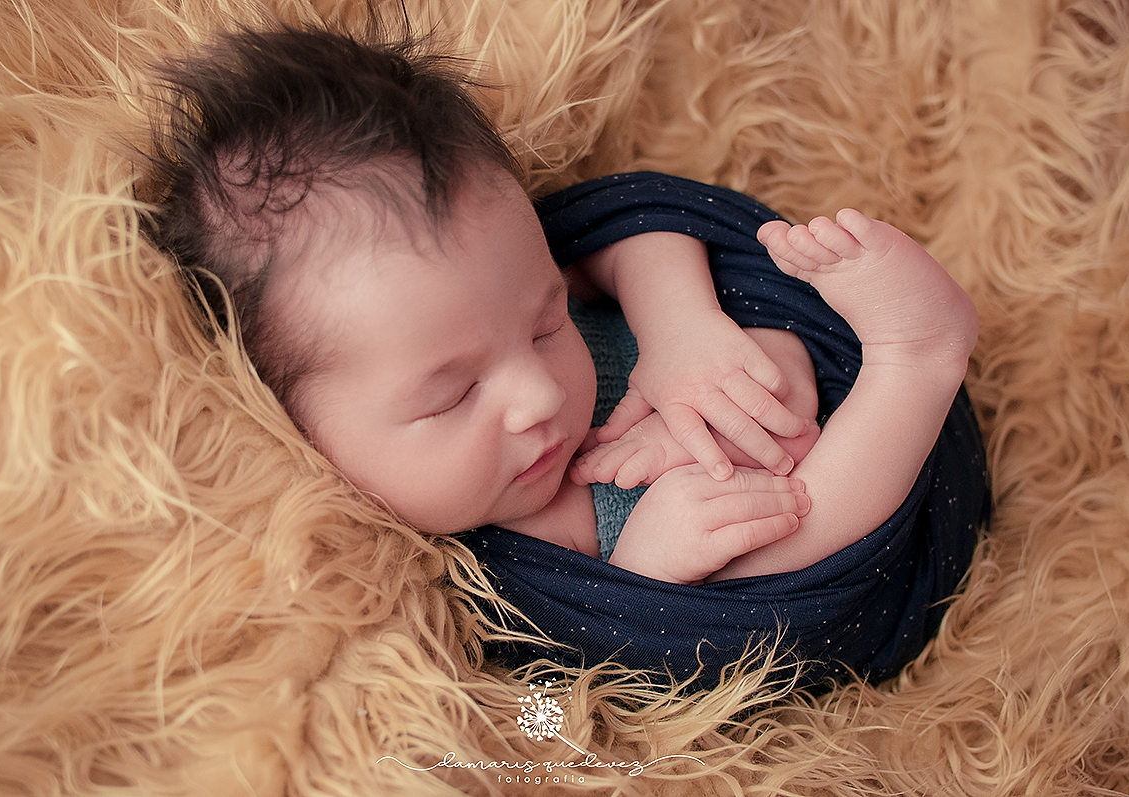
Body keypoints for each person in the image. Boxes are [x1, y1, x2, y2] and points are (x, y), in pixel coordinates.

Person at [145, 26, 989, 685]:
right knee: (776, 541)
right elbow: (602, 677)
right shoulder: (469, 579)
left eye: (546, 323)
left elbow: (631, 229)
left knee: (746, 308)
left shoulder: (500, 274)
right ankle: (912, 361)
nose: (538, 392)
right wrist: (650, 567)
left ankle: (800, 376)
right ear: (295, 429)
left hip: (743, 385)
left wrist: (683, 330)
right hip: (812, 530)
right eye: (451, 395)